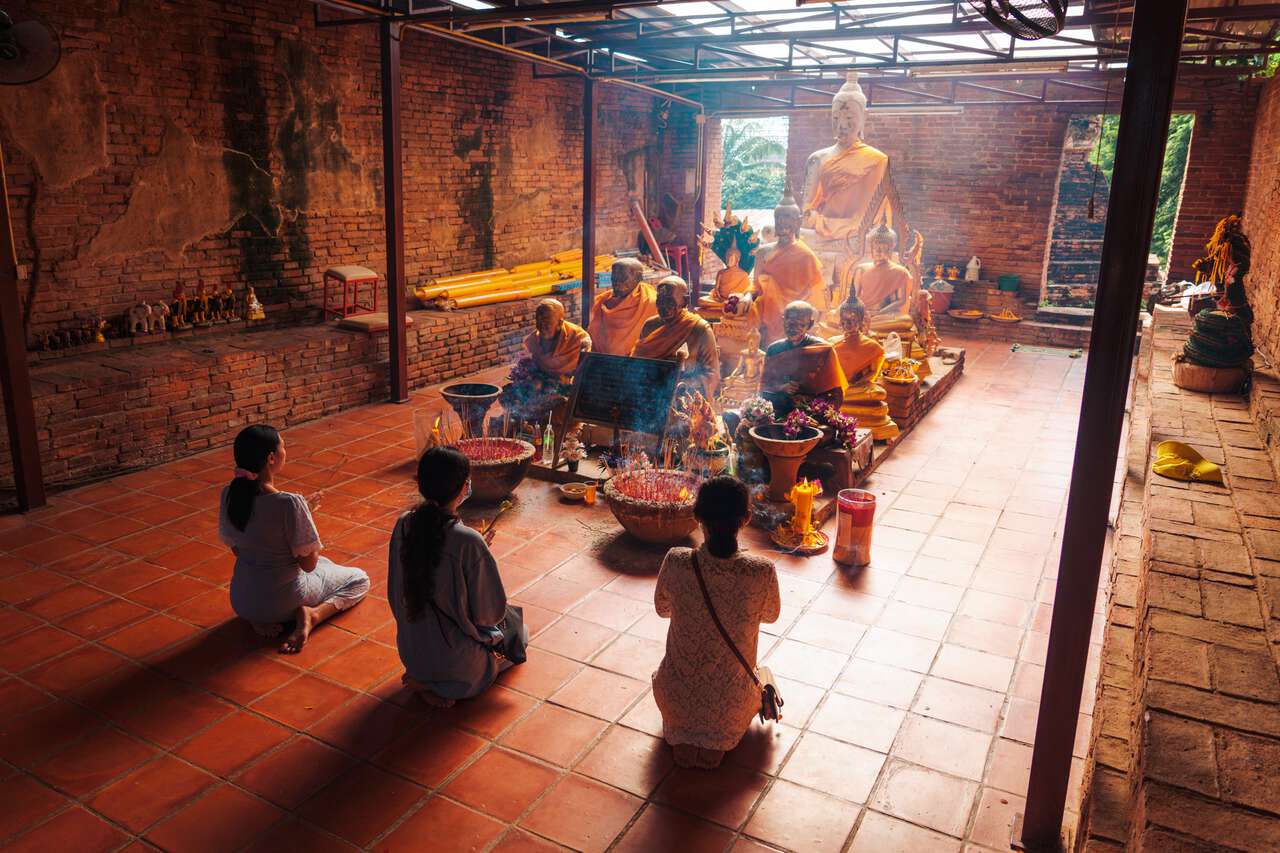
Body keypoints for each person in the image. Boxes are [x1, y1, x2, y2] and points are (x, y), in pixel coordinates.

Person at [653, 476, 781, 769]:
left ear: (697, 515)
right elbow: (770, 615)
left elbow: (663, 609)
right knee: (763, 673)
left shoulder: (676, 561)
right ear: (746, 518)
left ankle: (687, 734)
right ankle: (717, 738)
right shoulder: (761, 571)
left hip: (674, 700)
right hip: (732, 709)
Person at [388, 447, 525, 707]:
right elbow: (490, 614)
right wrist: (479, 555)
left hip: (411, 652)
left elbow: (397, 593)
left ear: (421, 483)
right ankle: (442, 689)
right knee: (520, 634)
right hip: (458, 666)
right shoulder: (468, 541)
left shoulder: (403, 523)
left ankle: (424, 680)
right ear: (464, 486)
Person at [219, 425, 369, 653]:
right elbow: (308, 565)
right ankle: (312, 615)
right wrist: (305, 518)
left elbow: (240, 549)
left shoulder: (230, 495)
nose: (285, 451)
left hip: (242, 600)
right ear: (271, 457)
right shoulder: (289, 503)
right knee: (359, 579)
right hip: (283, 600)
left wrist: (303, 513)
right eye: (283, 446)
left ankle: (259, 616)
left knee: (327, 564)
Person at [631, 276, 721, 399]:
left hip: (683, 399)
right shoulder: (649, 326)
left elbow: (713, 375)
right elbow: (636, 363)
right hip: (649, 395)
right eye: (660, 301)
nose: (663, 306)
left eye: (669, 302)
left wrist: (682, 386)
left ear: (684, 301)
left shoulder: (699, 329)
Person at [760, 300, 846, 419]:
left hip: (811, 412)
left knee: (825, 431)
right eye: (790, 324)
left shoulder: (823, 350)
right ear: (783, 320)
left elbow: (836, 394)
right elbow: (764, 388)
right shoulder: (774, 349)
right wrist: (782, 387)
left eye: (800, 325)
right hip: (780, 408)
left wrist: (810, 401)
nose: (793, 329)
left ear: (810, 325)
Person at [588, 257, 658, 356]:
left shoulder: (651, 302)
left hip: (635, 364)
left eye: (623, 279)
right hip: (600, 361)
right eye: (614, 279)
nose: (616, 284)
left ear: (638, 278)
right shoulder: (601, 301)